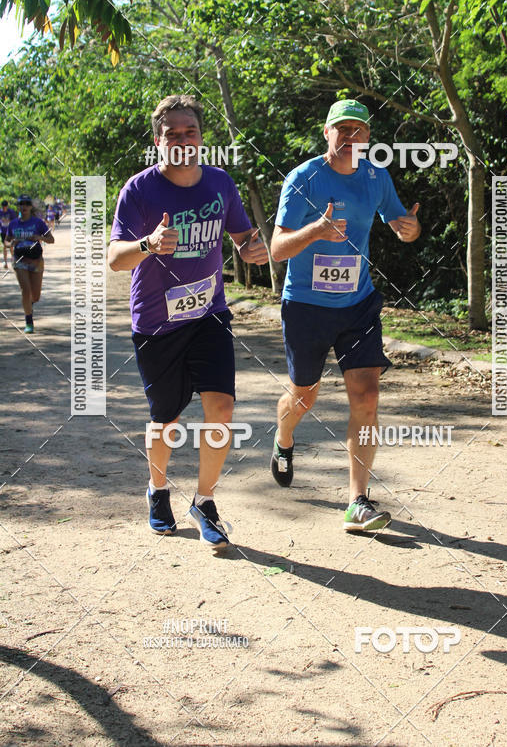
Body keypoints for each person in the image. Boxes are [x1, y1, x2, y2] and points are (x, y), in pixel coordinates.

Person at [108, 94, 268, 549]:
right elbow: (116, 260)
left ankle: (204, 501)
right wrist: (148, 243)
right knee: (168, 420)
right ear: (158, 140)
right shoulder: (138, 191)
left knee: (222, 408)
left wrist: (250, 249)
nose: (182, 140)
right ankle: (158, 489)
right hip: (157, 322)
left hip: (209, 314)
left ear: (201, 138)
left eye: (190, 132)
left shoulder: (219, 183)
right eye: (172, 133)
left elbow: (243, 237)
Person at [270, 99, 421, 532]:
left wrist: (408, 229)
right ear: (327, 133)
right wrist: (316, 231)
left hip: (358, 303)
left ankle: (358, 501)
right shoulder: (304, 179)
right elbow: (278, 248)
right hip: (306, 306)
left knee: (367, 398)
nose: (352, 137)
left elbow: (400, 223)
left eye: (360, 130)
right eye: (343, 129)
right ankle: (283, 440)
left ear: (369, 137)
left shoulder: (376, 177)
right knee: (304, 396)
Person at [6, 195, 54, 333]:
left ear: (30, 206)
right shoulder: (13, 224)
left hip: (36, 260)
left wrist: (39, 237)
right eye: (21, 204)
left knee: (36, 296)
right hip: (19, 260)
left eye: (27, 204)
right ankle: (29, 321)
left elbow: (51, 239)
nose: (24, 206)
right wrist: (11, 243)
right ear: (18, 206)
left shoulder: (38, 223)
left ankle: (29, 305)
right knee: (25, 290)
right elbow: (7, 241)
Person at [1, 200, 17, 269]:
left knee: (11, 247)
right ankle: (5, 262)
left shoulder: (11, 212)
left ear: (7, 206)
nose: (4, 208)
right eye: (3, 207)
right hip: (3, 232)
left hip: (10, 232)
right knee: (4, 246)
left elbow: (15, 221)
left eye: (5, 207)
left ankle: (13, 260)